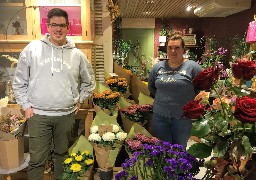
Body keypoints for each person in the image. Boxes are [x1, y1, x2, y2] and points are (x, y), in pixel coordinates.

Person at [12, 8, 95, 180]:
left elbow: (90, 82)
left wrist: (78, 100)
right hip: (38, 115)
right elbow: (19, 81)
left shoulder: (77, 54)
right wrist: (26, 105)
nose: (58, 29)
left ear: (68, 27)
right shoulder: (32, 49)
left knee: (61, 156)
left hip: (65, 116)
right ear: (47, 27)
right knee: (36, 161)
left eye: (62, 25)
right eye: (54, 25)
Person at [148, 32, 203, 148]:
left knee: (179, 150)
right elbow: (151, 87)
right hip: (160, 117)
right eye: (170, 48)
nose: (173, 51)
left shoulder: (193, 68)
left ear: (183, 50)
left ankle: (177, 167)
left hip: (183, 118)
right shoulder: (158, 67)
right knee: (162, 150)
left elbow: (202, 88)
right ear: (166, 50)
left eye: (177, 47)